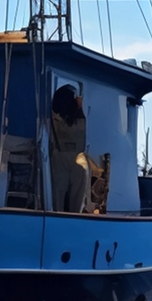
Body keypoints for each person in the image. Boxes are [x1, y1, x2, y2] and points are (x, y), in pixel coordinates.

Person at [49, 84, 90, 212]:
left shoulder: (53, 119)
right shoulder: (82, 120)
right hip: (79, 159)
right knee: (76, 202)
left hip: (59, 156)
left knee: (57, 199)